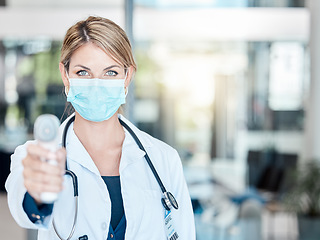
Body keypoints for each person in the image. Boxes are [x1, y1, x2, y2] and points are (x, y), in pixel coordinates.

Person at [5, 16, 195, 240]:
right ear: (65, 75)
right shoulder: (35, 156)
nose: (97, 84)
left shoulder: (164, 159)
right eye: (83, 73)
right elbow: (24, 205)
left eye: (111, 72)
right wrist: (37, 193)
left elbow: (184, 234)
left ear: (127, 76)